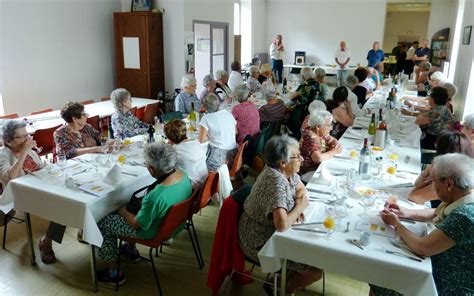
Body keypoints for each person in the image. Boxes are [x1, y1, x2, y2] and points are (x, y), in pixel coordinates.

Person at [374, 153, 474, 296]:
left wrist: (396, 224)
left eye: (433, 181)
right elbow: (438, 212)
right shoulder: (465, 196)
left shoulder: (465, 216)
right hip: (441, 267)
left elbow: (423, 248)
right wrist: (407, 213)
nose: (432, 186)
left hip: (448, 283)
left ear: (449, 184)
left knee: (381, 278)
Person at [238, 135, 323, 295]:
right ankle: (283, 289)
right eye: (297, 156)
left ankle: (279, 281)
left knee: (316, 251)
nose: (302, 159)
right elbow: (282, 225)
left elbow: (300, 188)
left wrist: (296, 204)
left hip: (274, 233)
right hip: (259, 240)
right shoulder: (275, 183)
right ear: (282, 163)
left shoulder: (286, 171)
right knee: (316, 269)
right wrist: (299, 207)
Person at [96, 143, 192, 285]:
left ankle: (113, 272)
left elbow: (136, 224)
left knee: (104, 220)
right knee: (133, 206)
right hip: (175, 225)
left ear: (151, 169)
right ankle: (130, 249)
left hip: (152, 232)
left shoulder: (156, 196)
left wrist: (121, 210)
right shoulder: (183, 174)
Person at [0, 120, 64, 264]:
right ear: (9, 141)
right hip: (21, 195)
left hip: (41, 187)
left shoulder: (29, 150)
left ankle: (83, 229)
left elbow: (41, 168)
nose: (28, 139)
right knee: (64, 205)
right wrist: (23, 151)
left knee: (74, 194)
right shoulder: (3, 154)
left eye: (27, 134)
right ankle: (46, 242)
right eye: (22, 136)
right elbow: (11, 176)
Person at [408, 130, 473, 204]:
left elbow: (414, 197)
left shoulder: (450, 179)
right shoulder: (462, 170)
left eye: (437, 147)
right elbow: (417, 184)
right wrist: (428, 169)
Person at [198, 93, 237, 171]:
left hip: (219, 160)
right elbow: (236, 131)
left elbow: (201, 140)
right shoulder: (228, 113)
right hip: (234, 155)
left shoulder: (206, 118)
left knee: (200, 166)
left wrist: (210, 136)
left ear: (205, 107)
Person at [164, 119, 208, 187]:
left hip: (191, 189)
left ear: (169, 138)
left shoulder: (175, 150)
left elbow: (164, 169)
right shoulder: (196, 143)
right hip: (204, 185)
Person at [300, 110, 342, 175]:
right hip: (309, 172)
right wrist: (334, 151)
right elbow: (318, 158)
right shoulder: (310, 136)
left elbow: (331, 139)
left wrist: (336, 145)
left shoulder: (320, 132)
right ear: (318, 127)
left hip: (319, 167)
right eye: (329, 125)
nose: (331, 128)